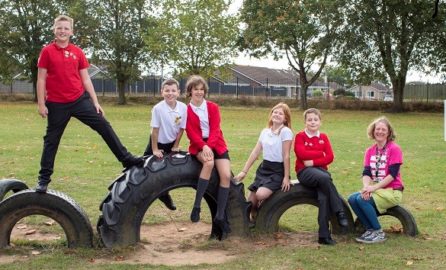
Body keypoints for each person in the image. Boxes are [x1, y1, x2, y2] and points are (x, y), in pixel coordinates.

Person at [35, 15, 142, 193]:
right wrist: (41, 104)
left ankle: (126, 159)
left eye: (66, 28)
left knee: (103, 125)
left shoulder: (78, 52)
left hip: (79, 100)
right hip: (56, 104)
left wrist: (95, 102)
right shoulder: (47, 51)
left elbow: (86, 79)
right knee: (51, 141)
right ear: (54, 29)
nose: (63, 31)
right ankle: (43, 180)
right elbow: (41, 79)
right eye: (59, 28)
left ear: (71, 31)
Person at [185, 75, 231, 238]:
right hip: (198, 144)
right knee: (209, 164)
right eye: (195, 89)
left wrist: (210, 146)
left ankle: (219, 215)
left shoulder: (212, 107)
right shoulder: (187, 110)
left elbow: (216, 129)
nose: (199, 92)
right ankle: (197, 205)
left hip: (216, 142)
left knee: (226, 175)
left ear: (205, 91)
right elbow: (190, 132)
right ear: (190, 91)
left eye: (201, 89)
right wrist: (203, 147)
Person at [294, 108, 348, 245]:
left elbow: (330, 157)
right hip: (304, 172)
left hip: (320, 171)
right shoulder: (300, 136)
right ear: (305, 122)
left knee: (324, 198)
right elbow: (301, 154)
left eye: (315, 119)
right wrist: (320, 154)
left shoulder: (323, 137)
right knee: (325, 178)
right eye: (309, 120)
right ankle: (340, 211)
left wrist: (313, 161)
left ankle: (324, 236)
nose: (312, 122)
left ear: (320, 122)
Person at [234, 102, 293, 224]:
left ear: (285, 118)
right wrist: (244, 171)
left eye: (280, 113)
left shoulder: (285, 131)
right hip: (264, 168)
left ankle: (266, 213)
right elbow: (255, 152)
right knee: (251, 201)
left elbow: (286, 155)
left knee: (260, 195)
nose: (276, 115)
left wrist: (286, 177)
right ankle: (255, 218)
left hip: (278, 170)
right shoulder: (265, 131)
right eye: (274, 112)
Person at [348, 116, 404, 244]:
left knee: (362, 199)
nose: (380, 132)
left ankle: (378, 232)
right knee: (352, 198)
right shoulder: (370, 151)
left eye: (383, 129)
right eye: (377, 129)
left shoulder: (394, 149)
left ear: (389, 132)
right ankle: (370, 230)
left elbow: (392, 175)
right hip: (377, 190)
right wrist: (367, 187)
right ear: (373, 131)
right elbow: (366, 172)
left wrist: (373, 188)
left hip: (392, 191)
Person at [143, 78, 187, 211]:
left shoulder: (183, 108)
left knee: (166, 171)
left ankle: (164, 194)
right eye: (167, 90)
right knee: (145, 168)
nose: (170, 93)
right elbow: (154, 130)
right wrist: (155, 149)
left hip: (171, 144)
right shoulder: (158, 109)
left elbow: (181, 129)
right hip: (157, 143)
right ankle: (158, 195)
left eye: (173, 90)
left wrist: (176, 145)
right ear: (162, 92)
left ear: (178, 92)